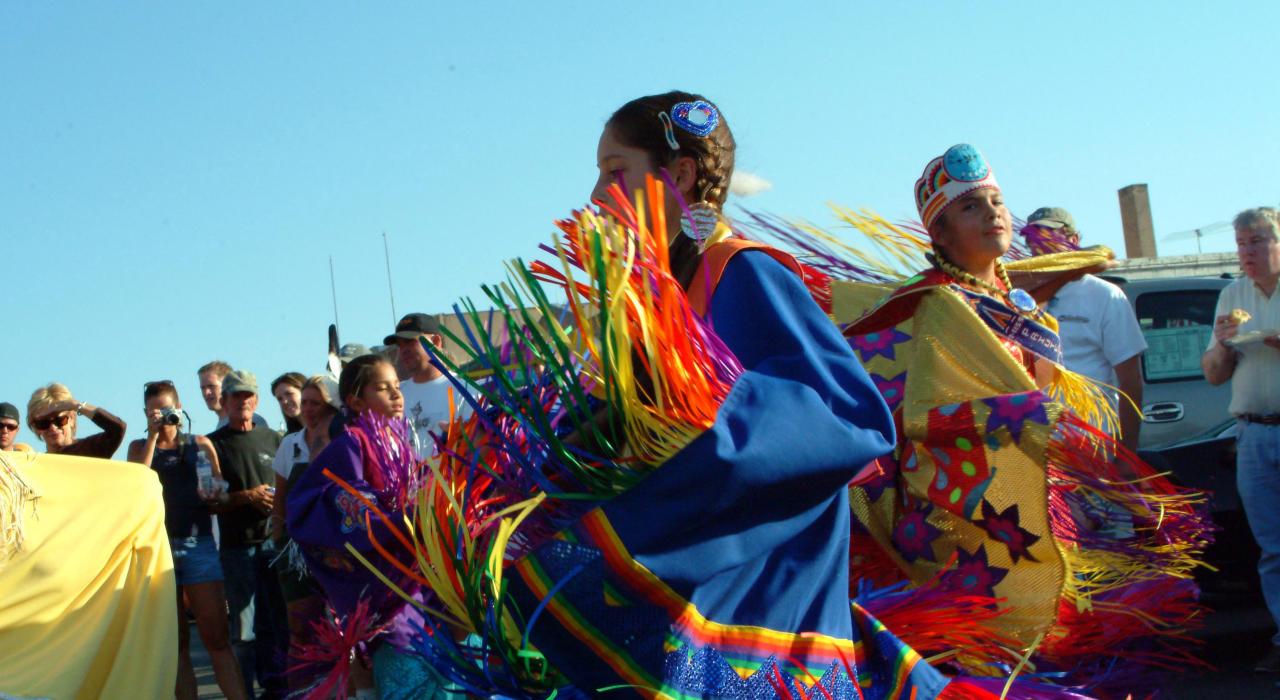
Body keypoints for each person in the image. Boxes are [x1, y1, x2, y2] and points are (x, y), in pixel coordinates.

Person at [840, 144, 1209, 693]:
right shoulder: (942, 305)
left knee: (1048, 634)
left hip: (1035, 491)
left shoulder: (1014, 302)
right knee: (990, 647)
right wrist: (1027, 414)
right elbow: (923, 416)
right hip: (966, 510)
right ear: (939, 235)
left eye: (996, 201)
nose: (991, 213)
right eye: (971, 207)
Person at [287, 355, 433, 696]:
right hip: (382, 575)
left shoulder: (398, 443)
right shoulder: (351, 443)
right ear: (355, 401)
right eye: (383, 389)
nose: (397, 395)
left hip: (410, 567)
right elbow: (337, 502)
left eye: (397, 387)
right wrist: (401, 521)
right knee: (399, 650)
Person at [0, 448, 177, 697]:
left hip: (61, 573)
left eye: (60, 420)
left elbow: (136, 479)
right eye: (46, 423)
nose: (53, 427)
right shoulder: (18, 474)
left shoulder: (31, 468)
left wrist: (79, 406)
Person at [126, 380, 247, 700]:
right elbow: (136, 485)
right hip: (158, 550)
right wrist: (153, 435)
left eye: (167, 409)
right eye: (155, 412)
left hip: (198, 545)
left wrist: (214, 494)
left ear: (179, 408)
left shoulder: (200, 444)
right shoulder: (139, 448)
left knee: (217, 639)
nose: (163, 417)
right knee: (176, 645)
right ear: (145, 414)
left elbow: (220, 493)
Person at [1203, 206, 1280, 672]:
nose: (1247, 252)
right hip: (1253, 433)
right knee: (1272, 548)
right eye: (1240, 244)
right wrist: (1225, 345)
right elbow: (1212, 375)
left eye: (1256, 241)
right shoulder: (1232, 293)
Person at [1021, 206, 1148, 450]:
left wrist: (1127, 453)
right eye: (1031, 239)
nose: (1038, 245)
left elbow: (1130, 381)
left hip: (1091, 441)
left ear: (1074, 240)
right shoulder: (1020, 297)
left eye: (1048, 235)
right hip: (1036, 445)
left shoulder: (1105, 295)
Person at [207, 369, 288, 699]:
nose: (242, 401)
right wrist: (248, 496)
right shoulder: (213, 444)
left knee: (278, 625)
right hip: (237, 547)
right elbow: (211, 501)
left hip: (275, 545)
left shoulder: (275, 439)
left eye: (247, 396)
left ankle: (279, 690)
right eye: (235, 396)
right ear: (224, 402)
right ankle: (246, 695)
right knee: (244, 632)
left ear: (256, 400)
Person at [268, 375, 339, 691]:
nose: (308, 409)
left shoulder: (345, 439)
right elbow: (279, 500)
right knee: (300, 626)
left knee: (341, 625)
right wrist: (281, 540)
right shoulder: (290, 444)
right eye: (305, 402)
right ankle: (302, 692)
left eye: (315, 403)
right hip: (296, 553)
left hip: (337, 548)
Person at [385, 313, 472, 457]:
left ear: (436, 342)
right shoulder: (395, 395)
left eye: (410, 341)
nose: (403, 350)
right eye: (399, 345)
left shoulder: (466, 391)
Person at [26, 382, 126, 459]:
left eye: (59, 420)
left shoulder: (89, 449)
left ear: (72, 419)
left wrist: (75, 405)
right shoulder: (37, 464)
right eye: (43, 423)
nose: (53, 427)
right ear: (35, 427)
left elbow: (118, 428)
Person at [200, 360, 270, 431]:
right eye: (203, 388)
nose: (206, 392)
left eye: (212, 386)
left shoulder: (254, 420)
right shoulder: (219, 429)